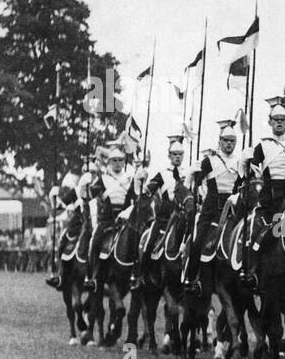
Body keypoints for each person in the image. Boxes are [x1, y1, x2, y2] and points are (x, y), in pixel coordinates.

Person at [239, 94, 285, 288]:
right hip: (269, 200)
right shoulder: (262, 145)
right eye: (276, 120)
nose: (279, 123)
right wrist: (245, 162)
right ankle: (252, 271)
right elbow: (251, 173)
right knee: (257, 234)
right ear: (270, 121)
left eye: (283, 120)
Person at [183, 119, 244, 294]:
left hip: (232, 208)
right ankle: (191, 278)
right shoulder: (209, 161)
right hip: (211, 210)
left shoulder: (240, 162)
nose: (229, 144)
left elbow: (243, 184)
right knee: (197, 242)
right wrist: (191, 176)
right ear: (220, 142)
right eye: (226, 141)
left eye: (232, 141)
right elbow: (196, 184)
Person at [133, 134, 187, 289]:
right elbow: (146, 192)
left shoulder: (188, 171)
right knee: (149, 241)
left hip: (183, 216)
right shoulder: (162, 173)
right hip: (165, 217)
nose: (177, 157)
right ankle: (141, 275)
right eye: (174, 154)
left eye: (180, 154)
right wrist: (139, 179)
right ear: (169, 155)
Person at [82, 144, 136, 290]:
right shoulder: (102, 179)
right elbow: (90, 195)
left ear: (124, 162)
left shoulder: (129, 179)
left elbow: (135, 199)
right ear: (109, 163)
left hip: (125, 220)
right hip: (107, 220)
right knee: (94, 240)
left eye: (120, 160)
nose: (117, 163)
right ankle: (91, 275)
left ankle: (137, 275)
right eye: (114, 160)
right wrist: (86, 185)